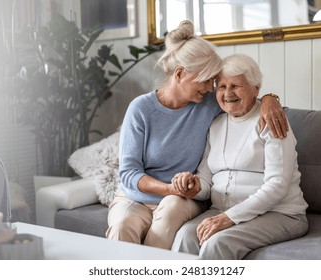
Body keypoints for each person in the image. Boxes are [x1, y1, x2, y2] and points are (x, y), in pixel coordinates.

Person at [106, 21, 288, 250]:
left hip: (184, 196)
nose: (211, 88)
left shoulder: (208, 103)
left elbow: (245, 100)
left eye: (213, 81)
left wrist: (271, 98)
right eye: (206, 80)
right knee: (122, 225)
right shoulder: (141, 109)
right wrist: (168, 188)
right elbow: (129, 173)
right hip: (136, 196)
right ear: (181, 74)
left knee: (170, 211)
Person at [171, 54, 308, 259]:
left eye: (236, 85)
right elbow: (206, 177)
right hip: (223, 210)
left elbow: (277, 184)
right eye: (222, 86)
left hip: (280, 213)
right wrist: (195, 185)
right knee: (185, 236)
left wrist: (229, 218)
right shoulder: (216, 125)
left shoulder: (271, 120)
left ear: (256, 88)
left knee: (216, 243)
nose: (227, 93)